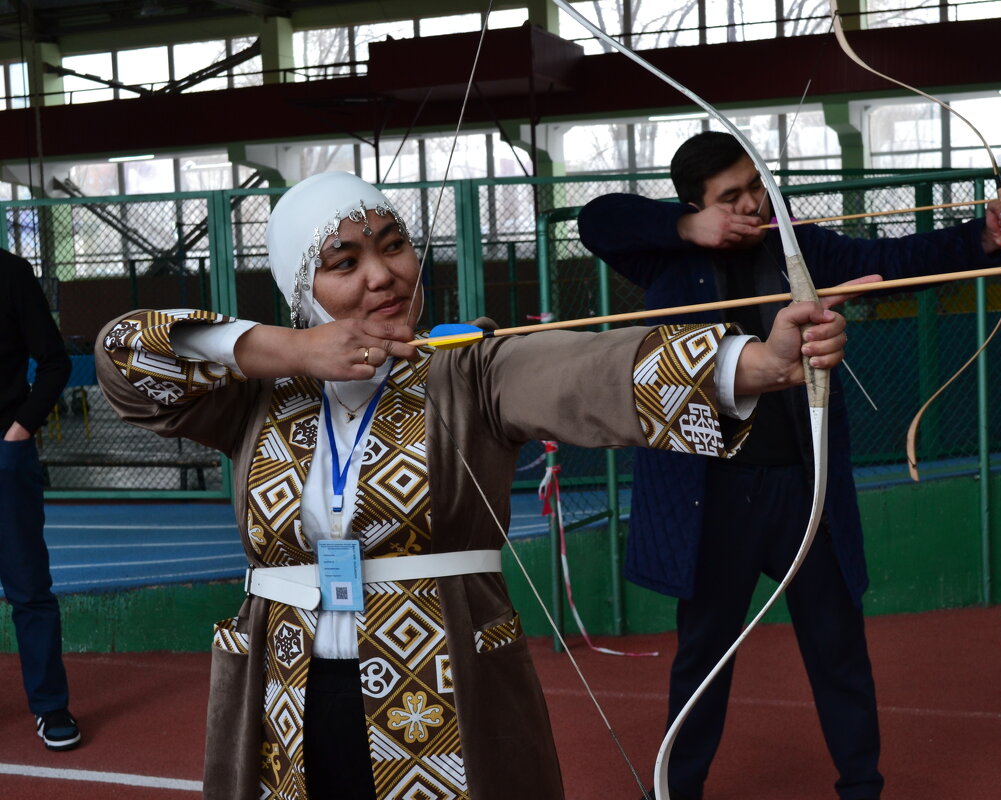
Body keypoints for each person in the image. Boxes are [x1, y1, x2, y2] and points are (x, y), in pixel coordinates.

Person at [95, 171, 857, 800]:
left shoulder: (471, 370)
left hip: (443, 686)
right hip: (286, 695)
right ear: (301, 282)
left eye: (394, 247)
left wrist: (754, 364)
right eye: (343, 260)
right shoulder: (252, 395)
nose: (381, 274)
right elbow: (124, 354)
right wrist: (289, 349)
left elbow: (583, 374)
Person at [577, 131, 1001, 800]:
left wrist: (985, 238)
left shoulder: (801, 247)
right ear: (695, 206)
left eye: (755, 185)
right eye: (728, 197)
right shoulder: (665, 259)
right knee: (703, 656)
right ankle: (677, 791)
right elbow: (597, 221)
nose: (752, 203)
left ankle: (861, 787)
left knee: (837, 646)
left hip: (803, 485)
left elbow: (893, 259)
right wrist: (687, 226)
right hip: (714, 492)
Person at [0, 248, 79, 751]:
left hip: (4, 456)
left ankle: (51, 707)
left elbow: (54, 362)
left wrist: (18, 432)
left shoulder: (9, 273)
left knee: (28, 586)